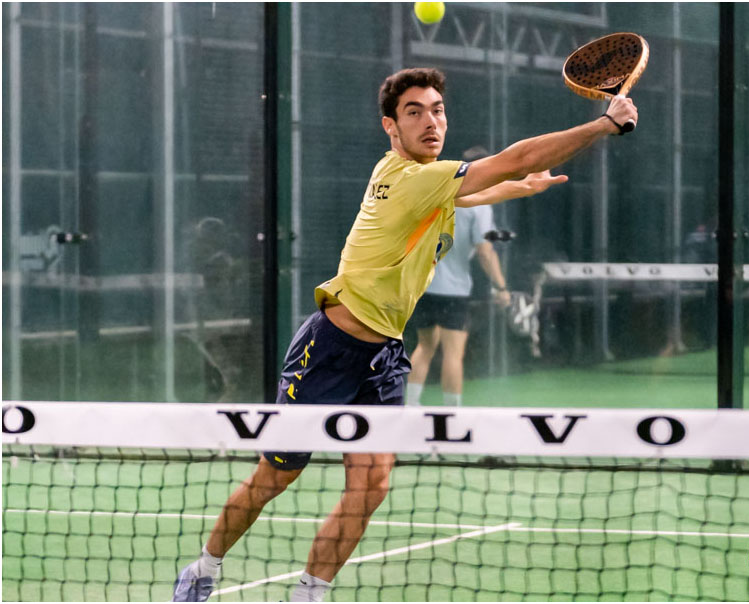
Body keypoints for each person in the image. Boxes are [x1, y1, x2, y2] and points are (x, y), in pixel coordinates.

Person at [172, 67, 637, 602]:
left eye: (437, 110)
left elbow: (468, 193)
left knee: (371, 487)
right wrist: (603, 125)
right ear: (390, 126)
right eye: (414, 112)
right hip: (329, 350)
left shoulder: (421, 178)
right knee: (274, 478)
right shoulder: (412, 179)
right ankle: (204, 568)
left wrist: (517, 187)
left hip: (384, 357)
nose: (430, 121)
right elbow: (516, 157)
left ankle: (309, 593)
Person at [406, 146, 510, 407]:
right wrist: (501, 287)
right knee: (453, 354)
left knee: (425, 346)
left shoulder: (439, 193)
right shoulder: (480, 204)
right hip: (454, 292)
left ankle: (409, 406)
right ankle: (452, 414)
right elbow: (485, 251)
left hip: (423, 286)